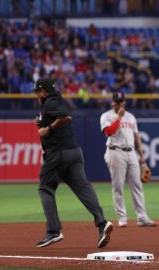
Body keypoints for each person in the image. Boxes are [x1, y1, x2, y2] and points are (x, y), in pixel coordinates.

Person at [34, 78, 113, 248]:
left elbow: (66, 116)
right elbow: (57, 117)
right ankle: (102, 224)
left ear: (42, 92)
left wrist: (48, 128)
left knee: (45, 188)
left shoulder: (51, 102)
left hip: (57, 153)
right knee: (83, 187)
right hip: (73, 152)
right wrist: (42, 123)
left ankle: (53, 231)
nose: (37, 96)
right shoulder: (55, 102)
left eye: (37, 92)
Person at [100, 91, 158, 228]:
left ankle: (142, 217)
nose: (119, 104)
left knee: (137, 185)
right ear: (113, 102)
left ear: (124, 102)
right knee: (118, 186)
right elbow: (109, 132)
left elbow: (137, 136)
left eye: (121, 102)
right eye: (117, 102)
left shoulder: (131, 117)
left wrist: (142, 159)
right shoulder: (106, 116)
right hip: (115, 151)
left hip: (131, 152)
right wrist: (119, 118)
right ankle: (122, 218)